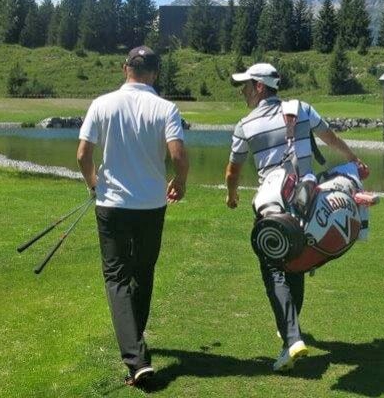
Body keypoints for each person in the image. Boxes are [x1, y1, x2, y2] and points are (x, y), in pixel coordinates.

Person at [224, 62, 367, 372]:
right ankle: (291, 332)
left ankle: (291, 339)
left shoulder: (245, 125)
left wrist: (231, 194)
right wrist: (354, 160)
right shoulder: (300, 108)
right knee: (296, 264)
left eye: (246, 86)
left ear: (260, 87)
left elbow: (233, 170)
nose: (243, 92)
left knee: (273, 267)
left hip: (274, 207)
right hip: (308, 202)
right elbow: (330, 139)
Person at [77, 46, 189, 388]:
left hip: (111, 205)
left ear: (125, 68)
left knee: (116, 277)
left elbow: (83, 154)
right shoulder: (166, 108)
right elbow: (178, 156)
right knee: (142, 274)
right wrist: (180, 182)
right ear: (154, 73)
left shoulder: (102, 103)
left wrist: (93, 182)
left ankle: (135, 358)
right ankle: (136, 352)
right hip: (150, 206)